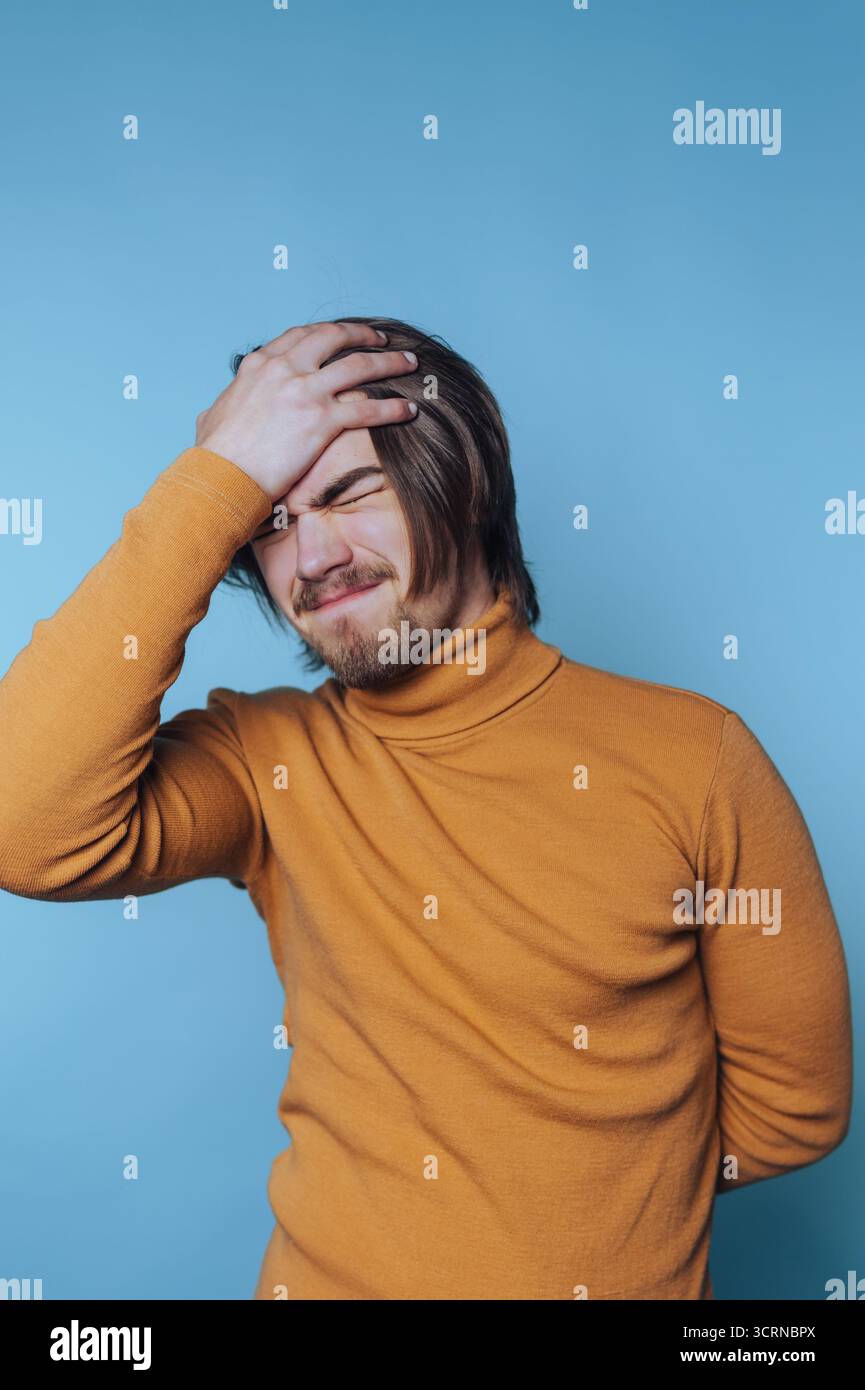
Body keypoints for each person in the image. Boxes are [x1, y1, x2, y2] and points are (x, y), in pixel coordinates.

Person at [0, 317, 852, 1300]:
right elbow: (24, 823)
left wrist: (588, 1203)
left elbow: (794, 1106)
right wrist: (210, 485)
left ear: (464, 482)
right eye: (266, 522)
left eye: (349, 491)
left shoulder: (694, 758)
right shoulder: (266, 761)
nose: (310, 554)